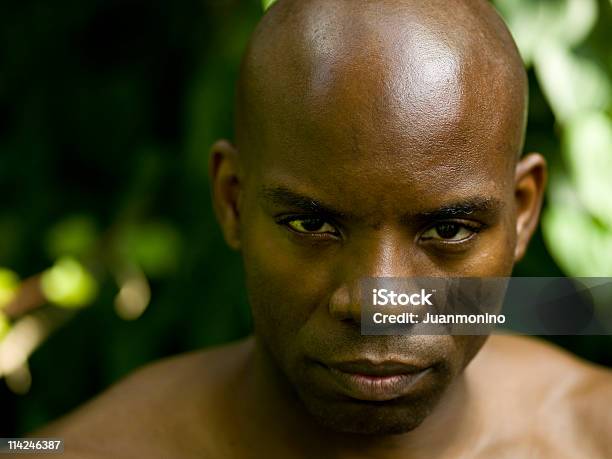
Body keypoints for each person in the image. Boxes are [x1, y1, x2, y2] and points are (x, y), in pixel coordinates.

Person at [17, 0, 612, 457]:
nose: (379, 301)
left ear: (524, 211)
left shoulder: (592, 433)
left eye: (450, 230)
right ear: (232, 201)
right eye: (311, 223)